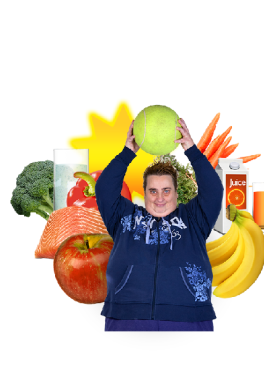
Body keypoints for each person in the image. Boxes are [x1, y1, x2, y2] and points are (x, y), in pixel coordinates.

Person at [96, 118, 223, 331]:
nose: (159, 198)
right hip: (126, 315)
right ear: (144, 193)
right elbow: (104, 190)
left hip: (190, 316)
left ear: (176, 192)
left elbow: (214, 191)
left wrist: (191, 150)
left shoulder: (193, 218)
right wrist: (127, 153)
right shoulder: (125, 217)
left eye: (166, 190)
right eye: (153, 191)